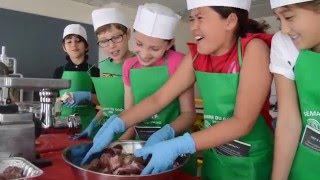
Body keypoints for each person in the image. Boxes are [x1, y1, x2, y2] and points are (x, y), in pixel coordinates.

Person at [82, 0, 274, 179]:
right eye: (191, 19)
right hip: (214, 152)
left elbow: (242, 122)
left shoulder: (253, 49)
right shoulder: (198, 54)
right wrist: (119, 123)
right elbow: (159, 99)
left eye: (200, 18)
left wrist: (178, 144)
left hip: (250, 160)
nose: (193, 27)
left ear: (230, 21)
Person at [119, 3, 197, 175]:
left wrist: (165, 134)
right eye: (139, 43)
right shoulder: (129, 66)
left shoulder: (179, 62)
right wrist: (118, 144)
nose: (144, 54)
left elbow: (189, 114)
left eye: (154, 48)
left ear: (170, 44)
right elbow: (130, 113)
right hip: (142, 148)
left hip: (176, 149)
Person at [269, 1, 320, 179]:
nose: (284, 29)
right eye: (278, 19)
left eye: (289, 17)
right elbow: (288, 122)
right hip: (306, 165)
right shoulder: (283, 44)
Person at [69, 8, 133, 139]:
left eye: (116, 37)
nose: (111, 45)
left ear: (128, 34)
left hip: (131, 135)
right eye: (104, 41)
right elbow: (107, 106)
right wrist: (93, 124)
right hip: (107, 132)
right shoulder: (103, 66)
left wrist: (121, 143)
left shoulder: (140, 64)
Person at [54, 24, 99, 131]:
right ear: (64, 47)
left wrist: (87, 96)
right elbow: (53, 101)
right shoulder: (59, 71)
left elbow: (103, 102)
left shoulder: (95, 71)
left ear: (86, 46)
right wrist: (63, 98)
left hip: (89, 124)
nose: (73, 45)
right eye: (69, 42)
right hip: (63, 124)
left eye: (78, 41)